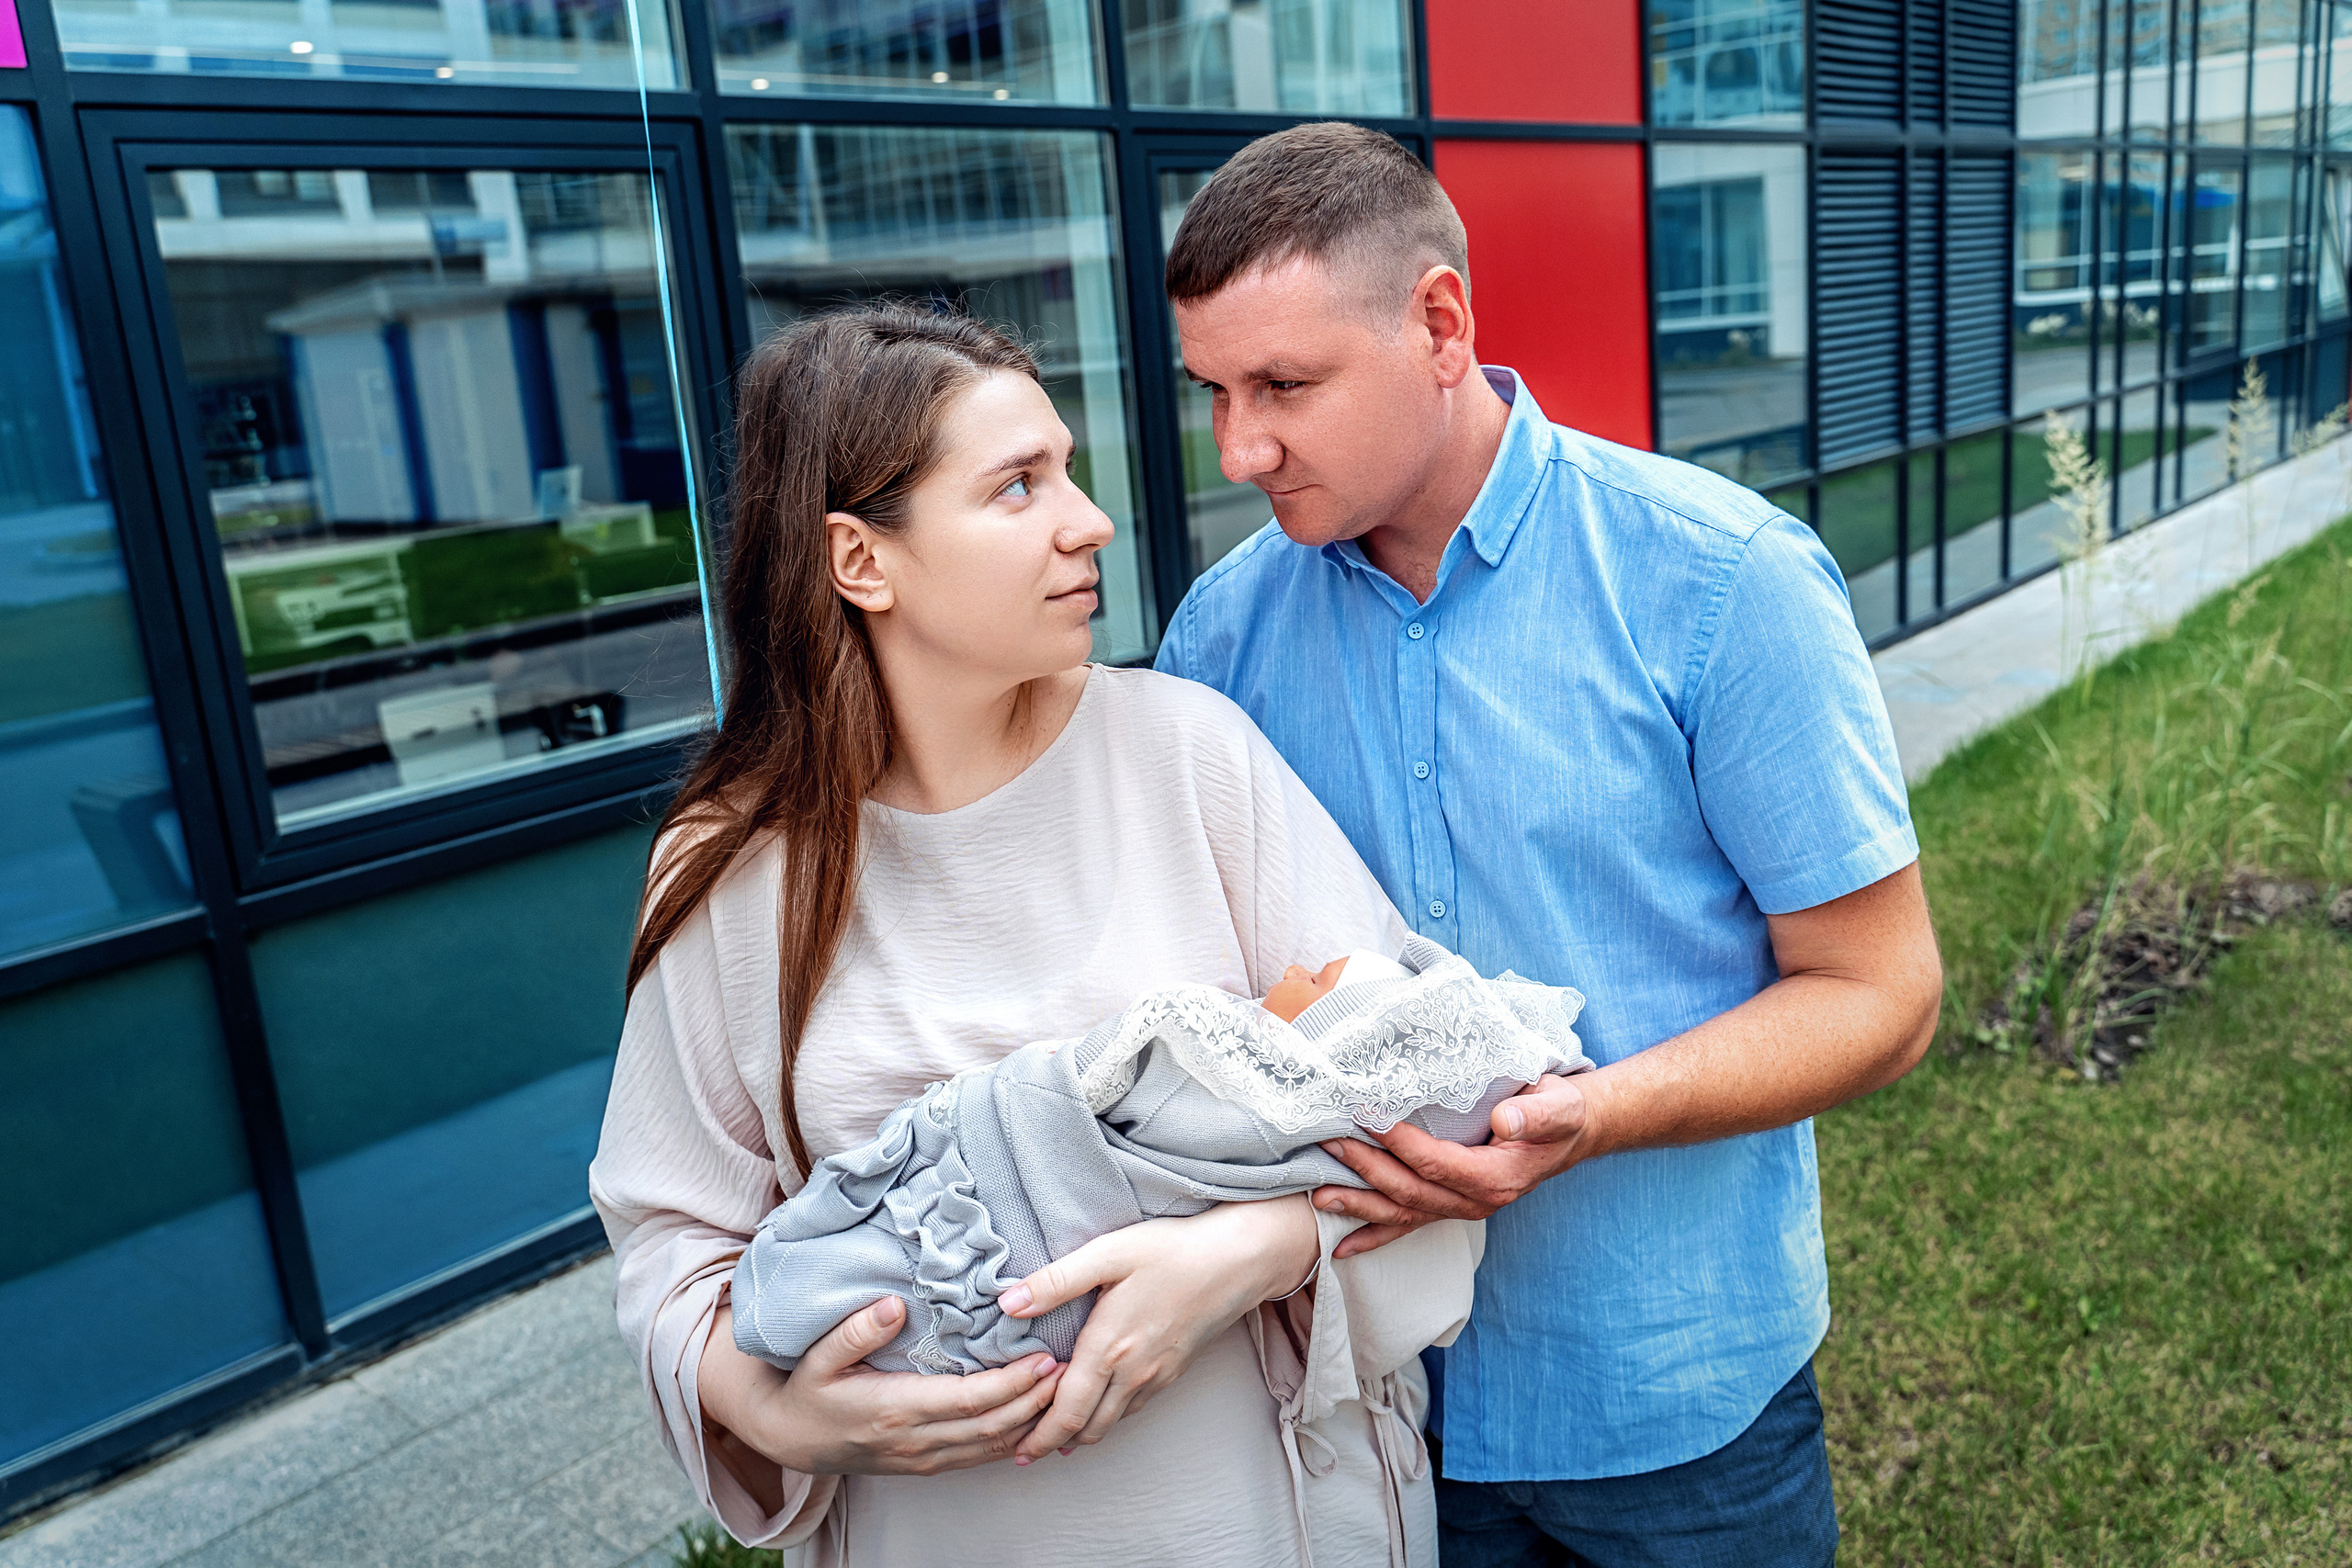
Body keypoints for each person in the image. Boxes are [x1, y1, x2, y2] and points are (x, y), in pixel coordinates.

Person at [1153, 122, 1945, 1565]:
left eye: (1283, 386)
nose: (1239, 447)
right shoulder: (1216, 636)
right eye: (1214, 390)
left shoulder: (1725, 583)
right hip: (1377, 1402)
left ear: (1440, 323)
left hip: (1677, 1401)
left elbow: (1882, 993)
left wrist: (1595, 1114)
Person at [588, 304, 1479, 1567]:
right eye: (1018, 486)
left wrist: (1249, 1250)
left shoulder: (1188, 753)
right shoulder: (736, 865)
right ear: (860, 560)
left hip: (1264, 1515)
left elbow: (1431, 1089)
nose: (1090, 518)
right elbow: (671, 1237)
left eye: (1066, 466)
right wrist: (767, 1400)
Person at [724, 936, 1587, 1377]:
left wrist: (1254, 1247)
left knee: (897, 1270)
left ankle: (797, 1296)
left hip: (1044, 1254)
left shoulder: (1275, 1095)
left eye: (1317, 977)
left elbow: (1161, 1111)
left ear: (1328, 1042)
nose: (1288, 964)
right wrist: (769, 1422)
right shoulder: (734, 862)